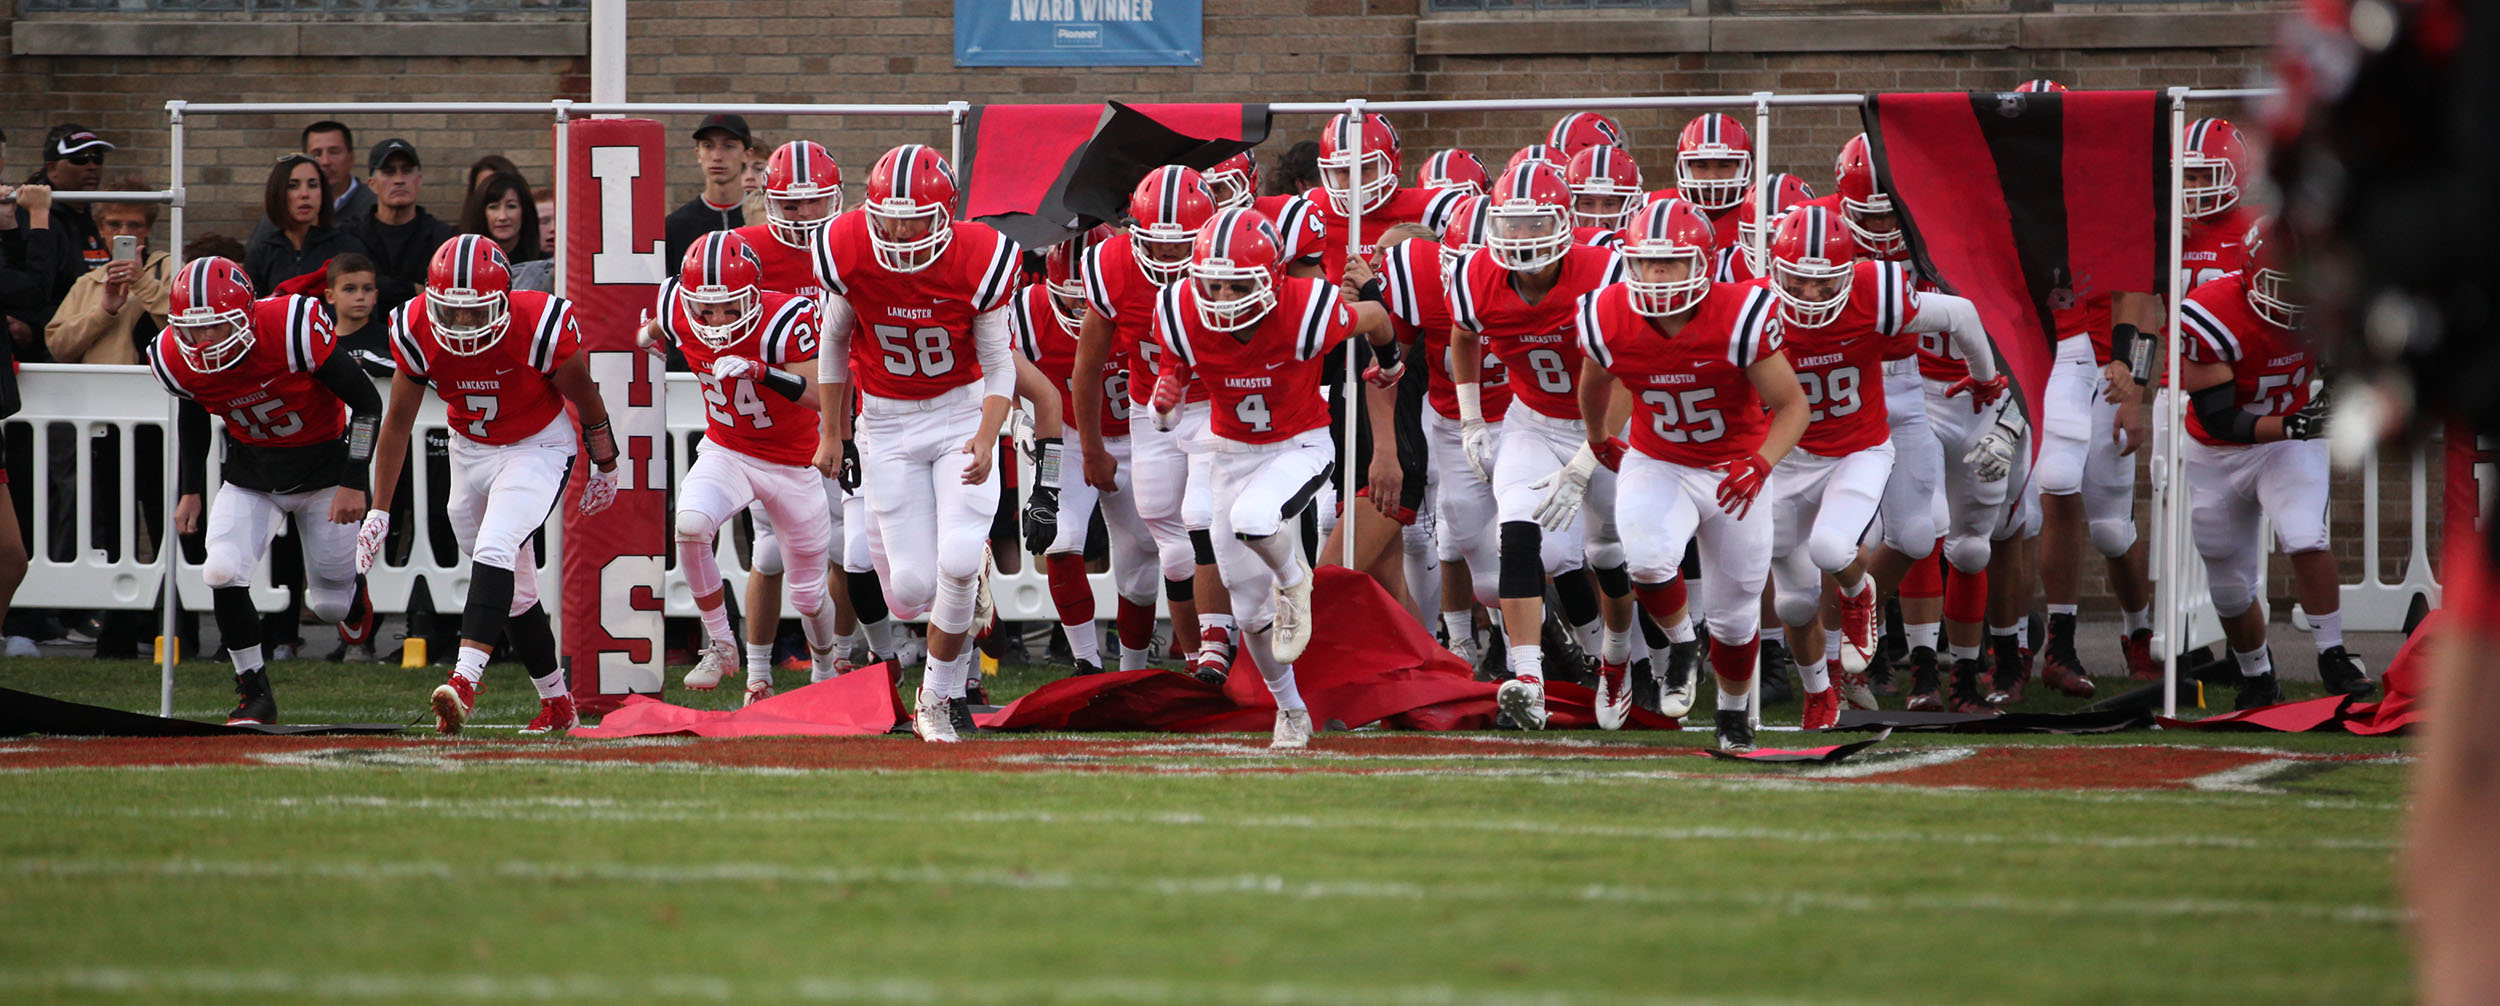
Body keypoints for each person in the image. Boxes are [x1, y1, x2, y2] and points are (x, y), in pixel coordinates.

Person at [1555, 199, 1808, 752]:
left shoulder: (1740, 315)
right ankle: (1682, 646)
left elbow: (1792, 406)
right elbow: (1595, 382)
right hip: (1659, 456)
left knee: (1738, 615)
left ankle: (1733, 715)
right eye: (1648, 262)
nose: (1658, 274)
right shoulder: (1607, 314)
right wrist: (1597, 435)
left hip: (1733, 469)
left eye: (1671, 262)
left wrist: (1761, 462)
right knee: (1645, 559)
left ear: (1704, 264)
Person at [1147, 206, 1401, 749]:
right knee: (1246, 606)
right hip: (1231, 452)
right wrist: (1162, 407)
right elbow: (1166, 405)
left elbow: (1377, 317)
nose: (1220, 298)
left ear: (1273, 279)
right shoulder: (1179, 312)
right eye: (1211, 284)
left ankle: (1294, 579)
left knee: (1254, 518)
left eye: (1235, 284)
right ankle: (1291, 710)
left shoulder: (1307, 309)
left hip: (1299, 445)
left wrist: (1391, 362)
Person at [1753, 205, 2003, 726]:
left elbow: (1960, 315)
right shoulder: (1754, 310)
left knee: (1916, 536)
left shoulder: (1876, 293)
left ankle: (1855, 621)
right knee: (1794, 605)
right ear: (1776, 271)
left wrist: (1984, 377)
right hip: (1795, 450)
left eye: (1825, 284)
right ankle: (1825, 681)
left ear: (1849, 273)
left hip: (1884, 414)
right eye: (1797, 281)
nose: (1810, 296)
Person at [362, 235, 620, 736]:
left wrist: (606, 462)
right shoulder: (416, 327)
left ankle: (463, 683)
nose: (460, 324)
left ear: (502, 302)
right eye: (450, 312)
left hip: (536, 447)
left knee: (496, 547)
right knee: (513, 588)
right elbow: (397, 422)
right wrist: (380, 509)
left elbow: (585, 394)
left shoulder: (536, 324)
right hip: (469, 450)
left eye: (474, 312)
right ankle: (558, 704)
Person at [811, 144, 1021, 744]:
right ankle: (955, 623)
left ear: (946, 215)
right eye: (891, 216)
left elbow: (998, 364)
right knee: (907, 591)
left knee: (954, 560)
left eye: (916, 217)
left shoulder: (978, 257)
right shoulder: (847, 248)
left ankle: (937, 696)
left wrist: (986, 434)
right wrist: (833, 429)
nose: (901, 231)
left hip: (958, 413)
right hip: (888, 421)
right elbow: (833, 343)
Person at [147, 257, 381, 725]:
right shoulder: (175, 355)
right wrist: (190, 488)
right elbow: (193, 414)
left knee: (331, 603)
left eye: (216, 327)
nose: (204, 341)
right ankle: (254, 693)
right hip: (253, 474)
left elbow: (368, 404)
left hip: (325, 472)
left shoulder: (291, 328)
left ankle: (355, 598)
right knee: (221, 570)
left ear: (247, 315)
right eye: (193, 330)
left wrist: (354, 481)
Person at [1446, 163, 1628, 729]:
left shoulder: (1604, 270)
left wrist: (1588, 457)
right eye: (1512, 224)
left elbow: (1627, 372)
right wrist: (1473, 418)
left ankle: (1624, 663)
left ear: (1564, 223)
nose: (1522, 238)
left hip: (1610, 422)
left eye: (1535, 224)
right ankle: (1529, 680)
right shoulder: (1477, 274)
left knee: (1610, 551)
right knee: (1517, 531)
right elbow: (1464, 333)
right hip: (1533, 420)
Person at [2175, 218, 2372, 707]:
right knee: (2228, 583)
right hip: (2222, 450)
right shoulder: (2209, 313)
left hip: (2289, 440)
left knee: (2306, 535)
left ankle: (2334, 656)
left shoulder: (2331, 306)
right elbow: (2219, 418)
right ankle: (2258, 675)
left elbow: (2349, 366)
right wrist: (2292, 425)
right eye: (2283, 285)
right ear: (2249, 274)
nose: (2296, 301)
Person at [654, 231, 840, 705]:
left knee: (808, 596)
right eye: (705, 310)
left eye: (731, 308)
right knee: (691, 525)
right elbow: (660, 328)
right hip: (728, 449)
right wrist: (645, 338)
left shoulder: (786, 318)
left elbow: (824, 393)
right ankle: (720, 643)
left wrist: (761, 371)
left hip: (793, 464)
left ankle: (824, 667)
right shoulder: (675, 305)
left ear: (754, 296)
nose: (716, 320)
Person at [1017, 227, 1159, 676]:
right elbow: (1001, 372)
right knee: (1059, 535)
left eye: (1089, 302)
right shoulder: (1027, 313)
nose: (1081, 312)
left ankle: (1134, 670)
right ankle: (1086, 662)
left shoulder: (1144, 300)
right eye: (1070, 301)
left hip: (1140, 435)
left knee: (1141, 557)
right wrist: (1029, 430)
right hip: (1071, 439)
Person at [44, 179, 167, 366]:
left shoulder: (167, 266)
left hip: (152, 387)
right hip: (96, 388)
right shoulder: (88, 283)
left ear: (147, 229)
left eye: (134, 225)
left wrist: (142, 282)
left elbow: (187, 329)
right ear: (101, 229)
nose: (124, 232)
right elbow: (58, 348)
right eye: (114, 225)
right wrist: (104, 312)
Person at [340, 139, 455, 321]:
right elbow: (346, 285)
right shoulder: (350, 234)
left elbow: (446, 298)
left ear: (419, 180)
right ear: (372, 183)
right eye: (389, 172)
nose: (399, 180)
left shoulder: (443, 239)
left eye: (407, 171)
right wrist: (412, 289)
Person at [244, 154, 368, 294]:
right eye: (293, 186)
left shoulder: (346, 248)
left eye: (313, 185)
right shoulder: (262, 252)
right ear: (279, 193)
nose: (304, 194)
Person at [664, 113, 754, 270]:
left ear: (747, 154)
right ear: (698, 153)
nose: (717, 156)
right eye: (708, 146)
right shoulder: (676, 226)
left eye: (729, 146)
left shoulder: (766, 218)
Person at [459, 171, 544, 266]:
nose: (502, 217)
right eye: (493, 207)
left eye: (511, 206)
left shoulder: (544, 267)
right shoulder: (465, 265)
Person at [325, 253, 389, 375]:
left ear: (376, 295)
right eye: (349, 289)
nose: (360, 297)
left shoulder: (391, 337)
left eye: (367, 289)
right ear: (330, 296)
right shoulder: (322, 343)